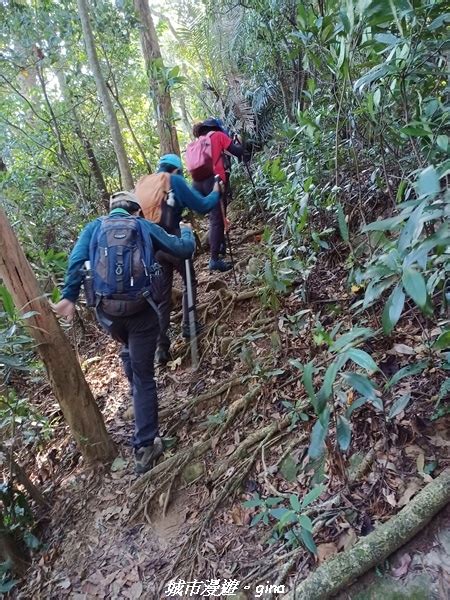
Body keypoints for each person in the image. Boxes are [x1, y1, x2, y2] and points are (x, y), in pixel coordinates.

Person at [52, 191, 195, 474]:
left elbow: (77, 262)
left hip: (108, 315)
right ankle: (144, 448)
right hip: (142, 312)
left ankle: (131, 368)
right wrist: (188, 233)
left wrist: (68, 296)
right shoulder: (143, 226)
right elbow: (182, 250)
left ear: (112, 210)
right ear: (136, 211)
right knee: (144, 377)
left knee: (129, 351)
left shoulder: (94, 227)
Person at [134, 153, 222, 366]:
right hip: (174, 242)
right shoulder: (174, 180)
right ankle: (188, 326)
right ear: (176, 170)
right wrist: (216, 192)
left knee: (163, 297)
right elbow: (202, 206)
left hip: (153, 249)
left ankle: (161, 348)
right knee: (189, 281)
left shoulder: (144, 184)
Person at [191, 118, 246, 272]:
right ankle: (214, 259)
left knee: (217, 217)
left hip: (197, 183)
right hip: (212, 180)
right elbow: (237, 152)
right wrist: (240, 142)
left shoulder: (199, 142)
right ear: (215, 127)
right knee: (216, 219)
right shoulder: (218, 136)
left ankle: (220, 247)